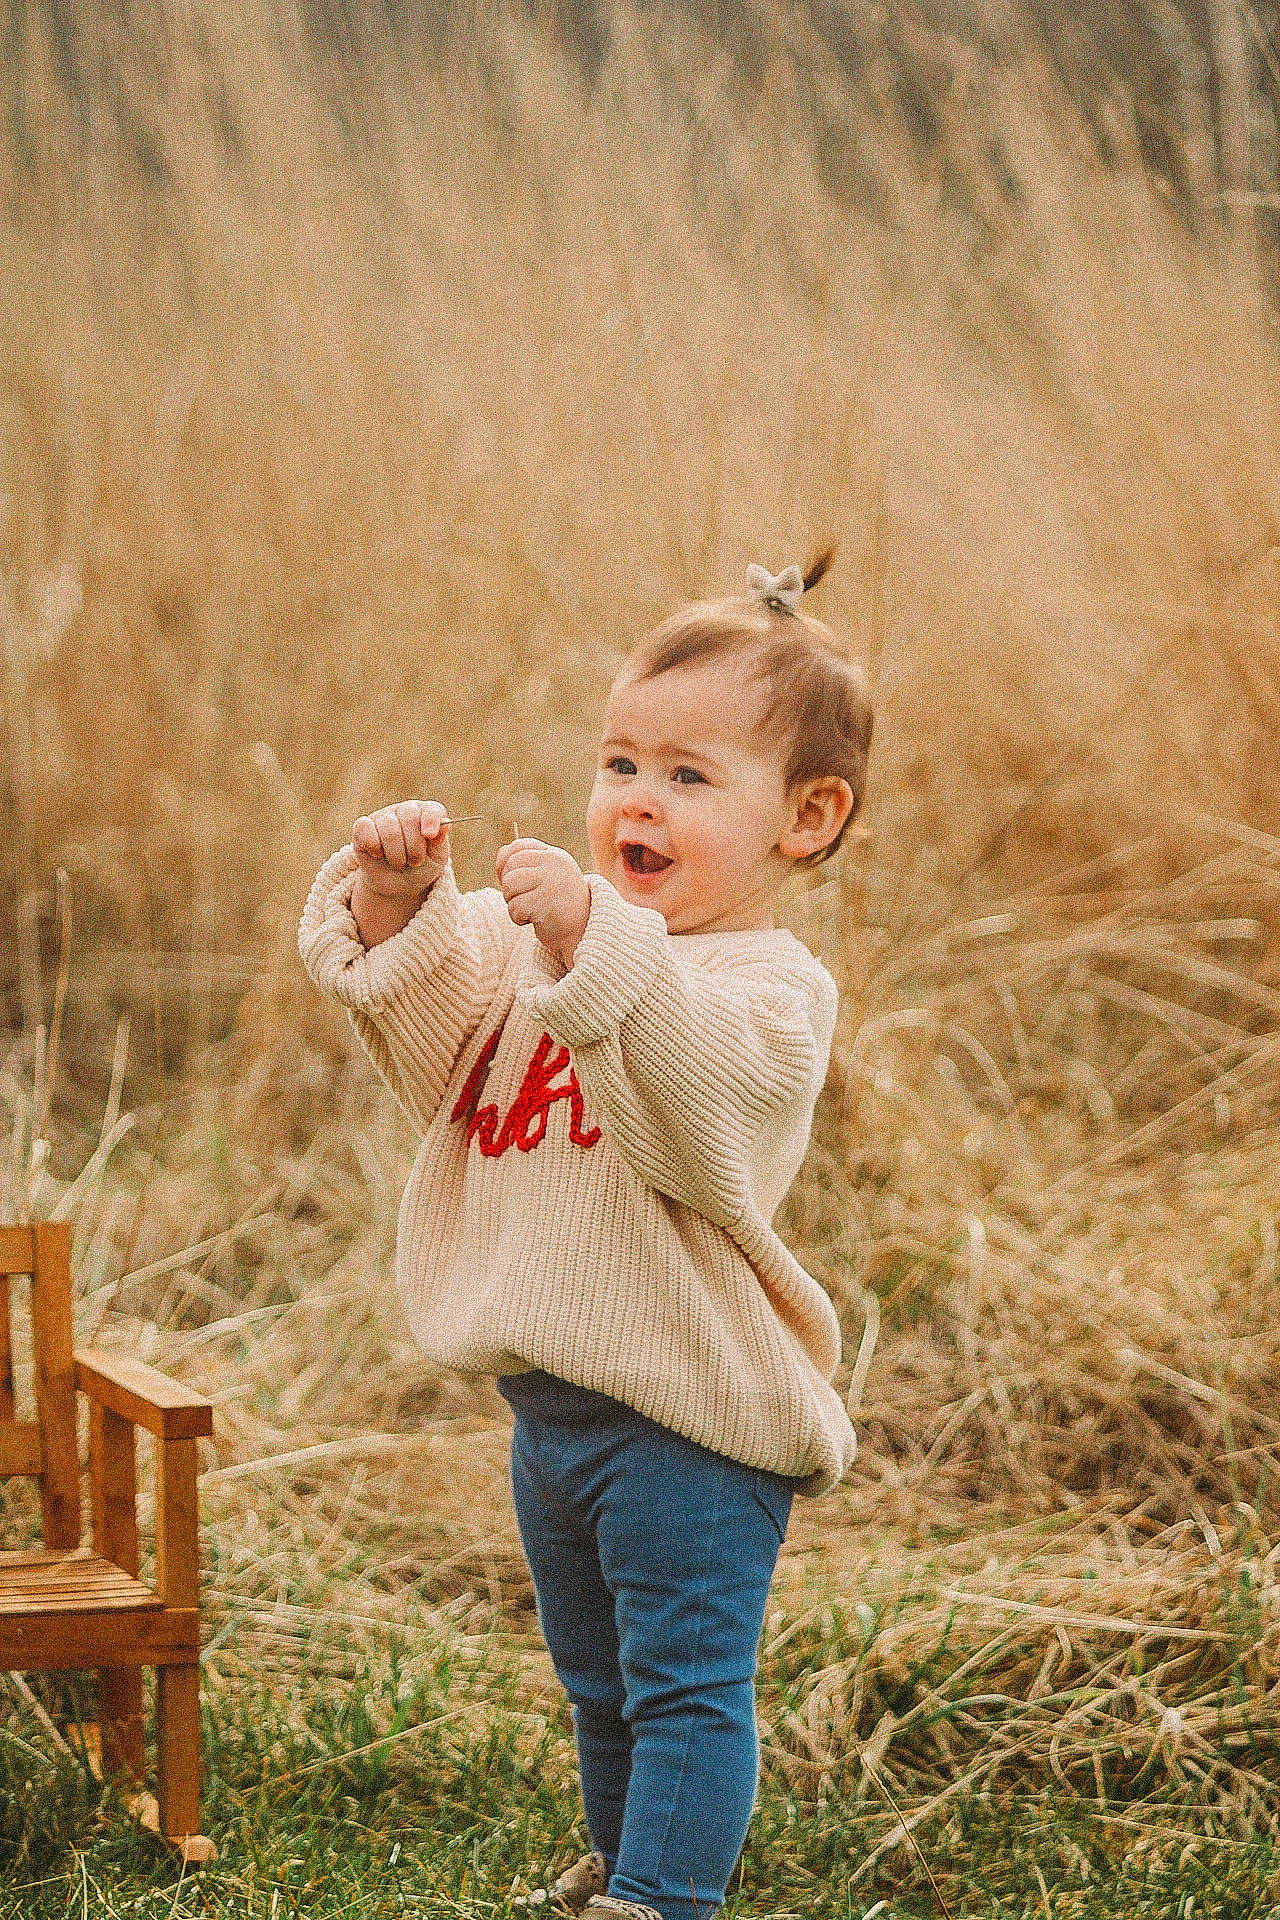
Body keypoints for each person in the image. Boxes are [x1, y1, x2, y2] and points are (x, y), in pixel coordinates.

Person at [298, 555, 874, 1920]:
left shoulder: (768, 997)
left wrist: (591, 935)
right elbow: (438, 1054)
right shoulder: (536, 942)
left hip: (692, 1415)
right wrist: (404, 908)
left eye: (689, 775)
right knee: (602, 1680)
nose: (637, 797)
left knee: (684, 1688)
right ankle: (620, 1867)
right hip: (553, 1413)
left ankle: (664, 1897)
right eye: (622, 759)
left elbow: (693, 1108)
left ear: (807, 818)